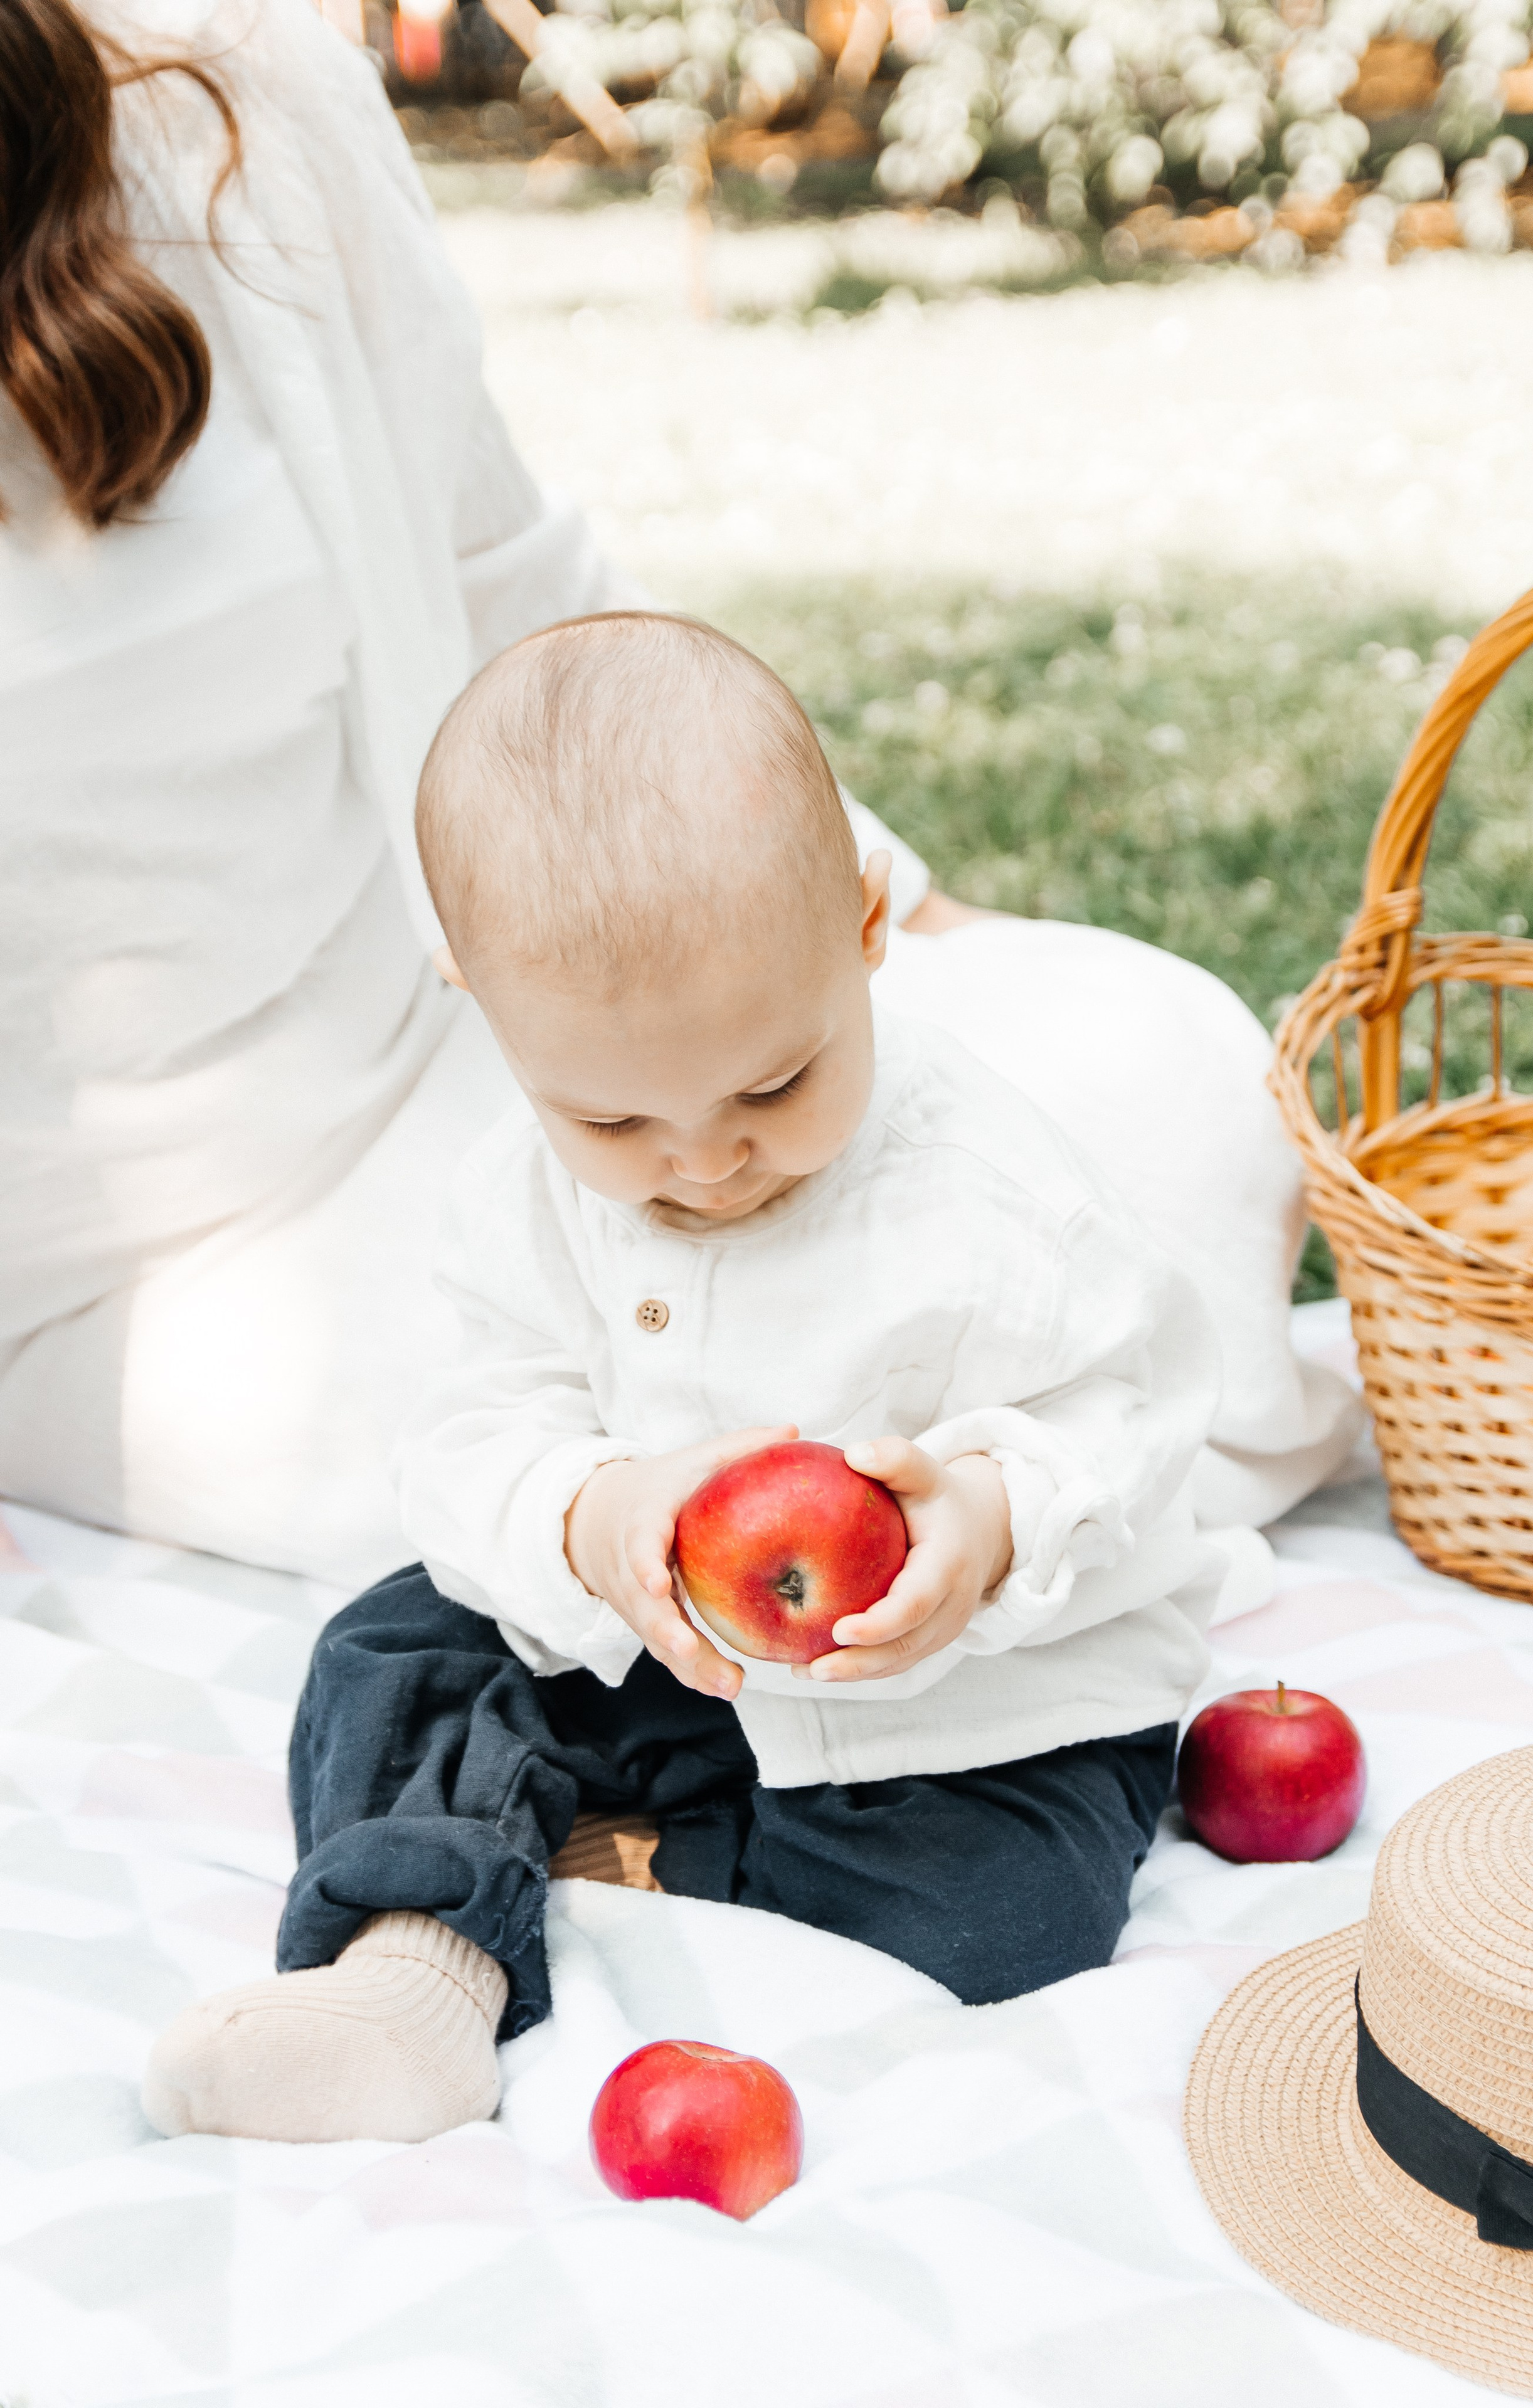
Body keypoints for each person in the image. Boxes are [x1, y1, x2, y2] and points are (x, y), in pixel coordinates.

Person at [0, 0, 1356, 1592]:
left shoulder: (237, 114)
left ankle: (988, 1494)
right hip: (136, 1276)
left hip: (508, 1041)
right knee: (565, 1470)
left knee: (1161, 1064)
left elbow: (524, 595)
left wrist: (882, 901)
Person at [142, 614, 1224, 2143]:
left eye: (773, 1083)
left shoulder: (996, 1195)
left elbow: (1136, 1414)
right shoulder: (518, 1197)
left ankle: (610, 1862)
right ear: (483, 1005)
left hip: (951, 1708)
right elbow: (472, 1434)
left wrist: (985, 1524)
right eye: (613, 1126)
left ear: (860, 923)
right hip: (651, 1657)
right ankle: (414, 1975)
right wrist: (588, 1515)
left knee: (1013, 1911)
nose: (705, 1161)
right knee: (382, 1655)